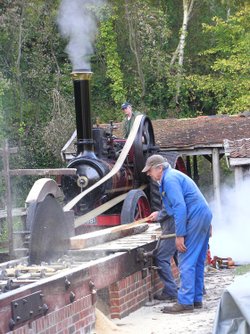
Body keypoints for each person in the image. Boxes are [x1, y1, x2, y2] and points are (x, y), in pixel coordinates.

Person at [142, 154, 212, 313]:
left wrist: (179, 235)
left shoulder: (170, 180)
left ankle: (185, 302)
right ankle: (196, 299)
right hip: (203, 215)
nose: (148, 174)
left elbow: (180, 207)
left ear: (159, 168)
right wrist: (208, 222)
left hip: (195, 217)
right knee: (198, 260)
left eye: (150, 171)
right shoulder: (174, 176)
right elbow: (191, 198)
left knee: (185, 258)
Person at [147, 208, 178, 301]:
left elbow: (173, 205)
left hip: (173, 224)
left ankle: (171, 291)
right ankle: (197, 288)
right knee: (180, 256)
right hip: (178, 222)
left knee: (161, 257)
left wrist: (159, 214)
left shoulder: (170, 192)